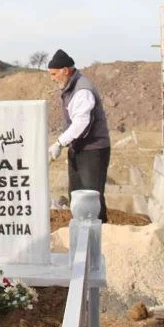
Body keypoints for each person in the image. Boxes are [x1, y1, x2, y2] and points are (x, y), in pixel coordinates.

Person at [47, 49, 111, 222]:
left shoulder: (82, 90)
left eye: (54, 74)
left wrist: (59, 143)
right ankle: (81, 232)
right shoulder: (71, 87)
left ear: (65, 71)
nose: (52, 78)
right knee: (77, 195)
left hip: (93, 150)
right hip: (80, 149)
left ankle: (98, 232)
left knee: (91, 197)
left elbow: (81, 123)